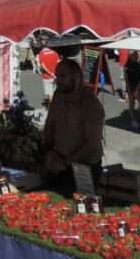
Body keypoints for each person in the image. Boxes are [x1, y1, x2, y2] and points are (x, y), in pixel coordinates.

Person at [43, 59, 106, 188]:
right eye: (57, 75)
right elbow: (49, 125)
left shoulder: (90, 103)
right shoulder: (58, 95)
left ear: (76, 76)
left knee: (82, 205)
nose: (58, 80)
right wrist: (49, 151)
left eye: (62, 76)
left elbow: (92, 143)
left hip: (85, 166)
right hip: (60, 162)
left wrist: (67, 162)